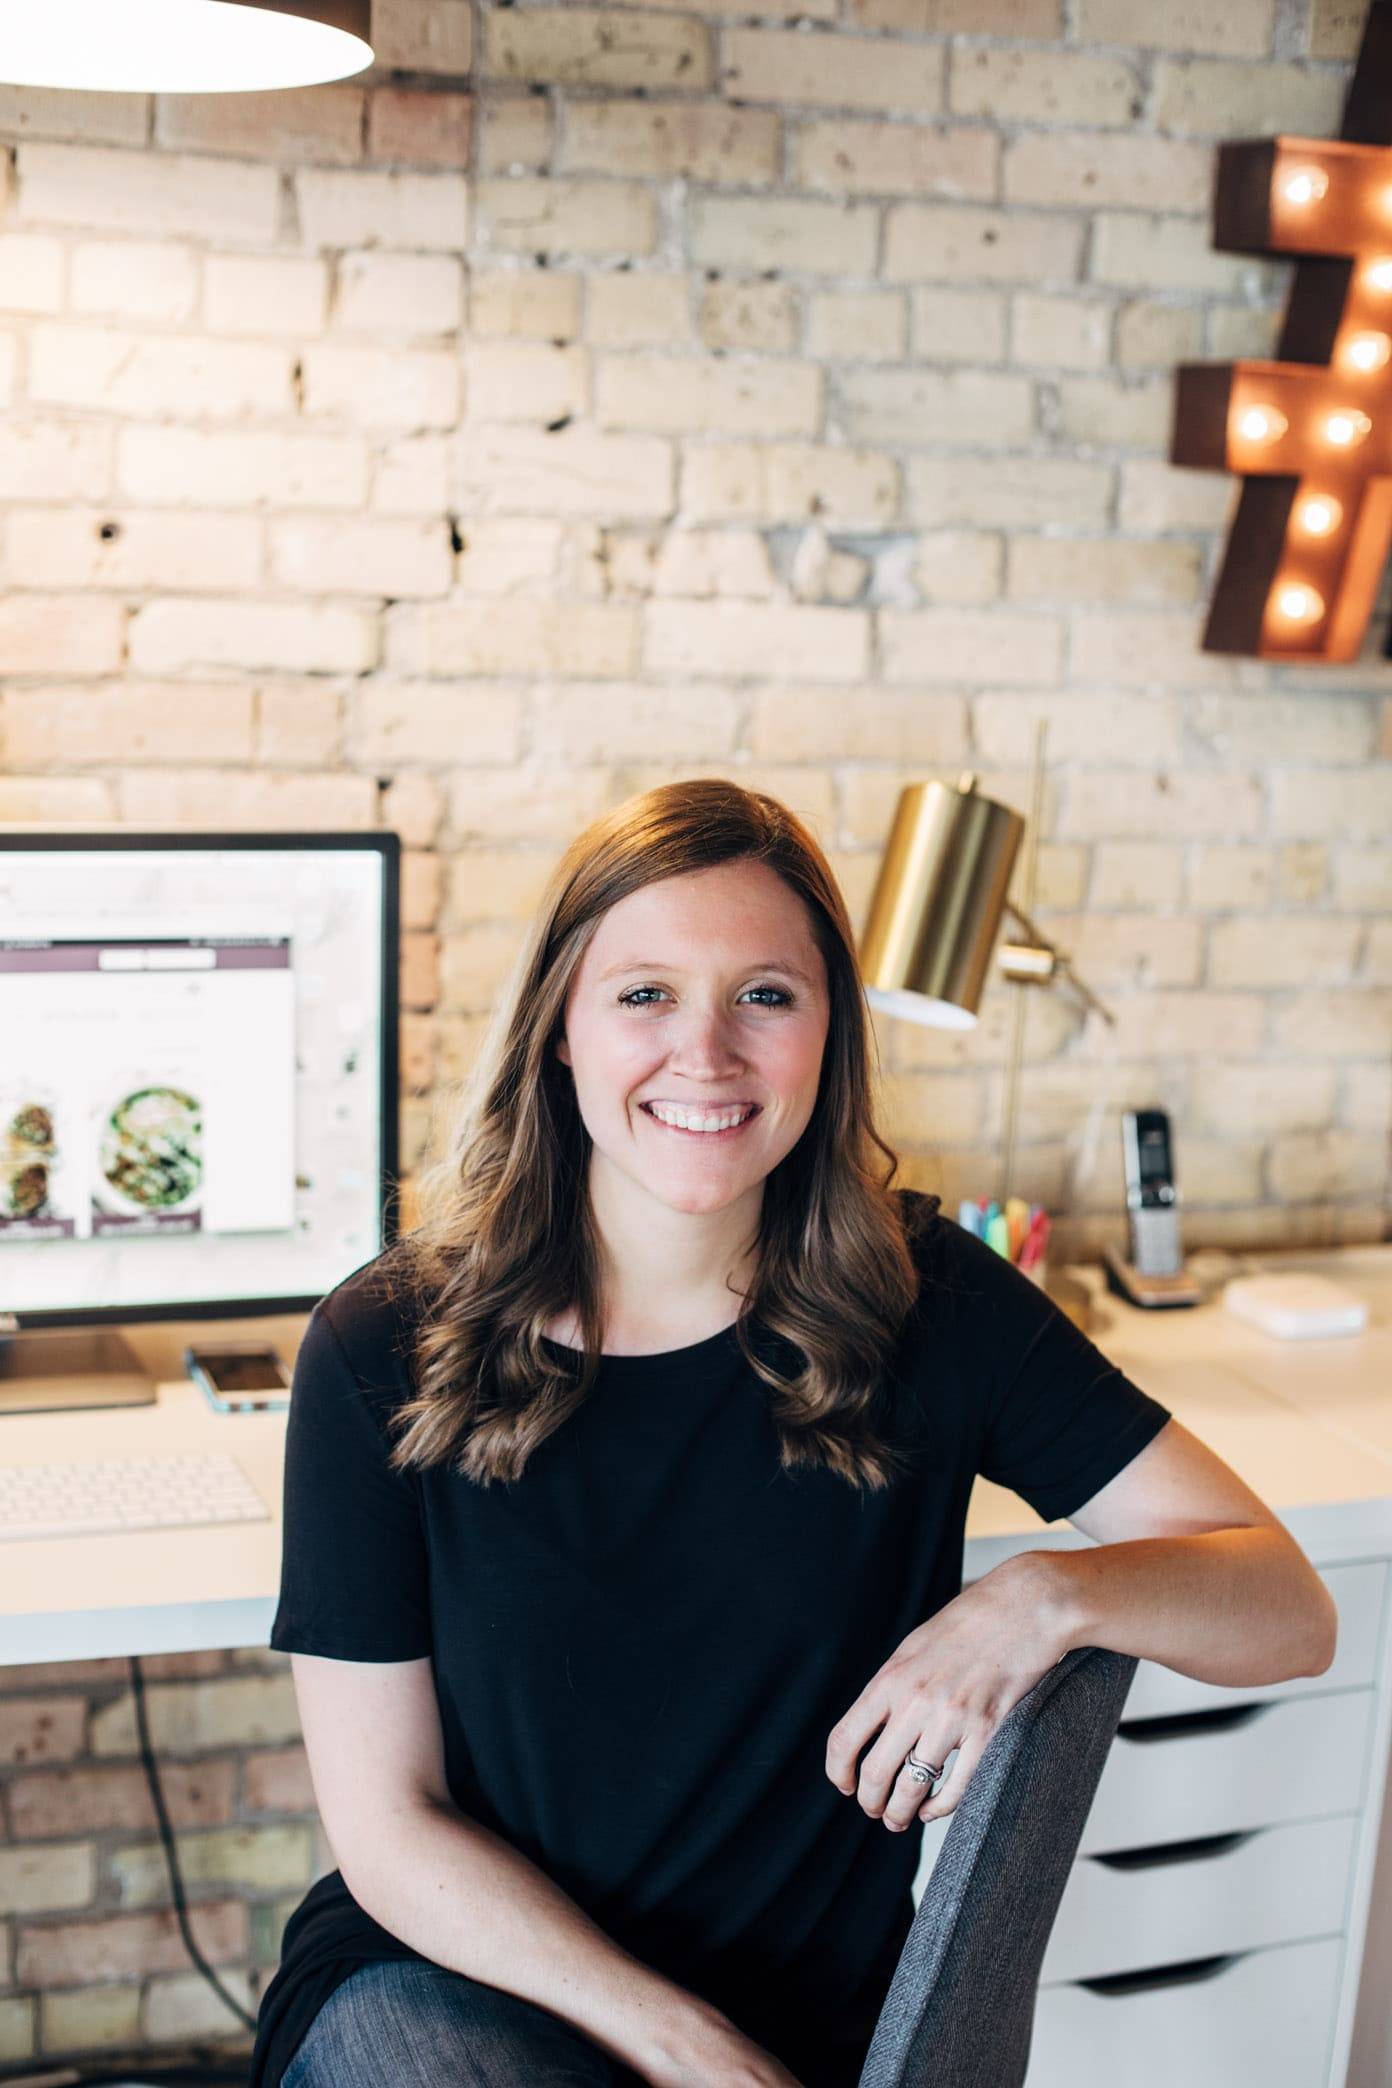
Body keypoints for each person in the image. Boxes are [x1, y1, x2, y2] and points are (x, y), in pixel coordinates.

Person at [249, 776, 1320, 2088]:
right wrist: (679, 2045)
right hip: (463, 1983)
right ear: (561, 1033)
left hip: (801, 2011)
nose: (706, 1056)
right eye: (644, 994)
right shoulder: (383, 1345)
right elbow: (390, 1828)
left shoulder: (930, 1305)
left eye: (765, 994)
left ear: (829, 1034)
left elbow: (1285, 1607)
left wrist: (1043, 1597)